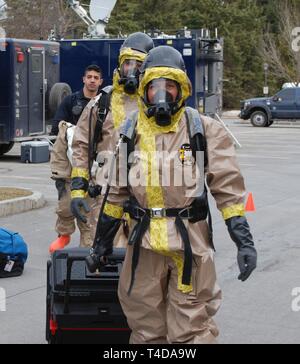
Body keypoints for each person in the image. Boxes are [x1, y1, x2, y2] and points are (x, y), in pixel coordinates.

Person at [89, 46, 258, 344]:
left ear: (182, 89)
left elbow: (228, 188)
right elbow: (115, 194)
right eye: (155, 86)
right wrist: (100, 244)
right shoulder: (130, 132)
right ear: (145, 89)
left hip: (188, 245)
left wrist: (243, 240)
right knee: (145, 327)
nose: (163, 94)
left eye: (170, 86)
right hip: (143, 245)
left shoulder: (202, 130)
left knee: (191, 328)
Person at [70, 32, 154, 244]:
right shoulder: (101, 104)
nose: (132, 69)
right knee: (98, 258)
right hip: (104, 196)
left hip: (144, 198)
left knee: (142, 264)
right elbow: (80, 145)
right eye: (128, 63)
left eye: (138, 64)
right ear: (120, 65)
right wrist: (78, 190)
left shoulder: (155, 106)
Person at [49, 65, 103, 253]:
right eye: (89, 76)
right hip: (68, 165)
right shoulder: (70, 101)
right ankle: (64, 235)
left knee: (88, 208)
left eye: (96, 77)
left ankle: (87, 247)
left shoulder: (104, 104)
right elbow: (56, 127)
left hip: (95, 166)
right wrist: (72, 132)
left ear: (101, 82)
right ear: (83, 79)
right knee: (65, 205)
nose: (92, 80)